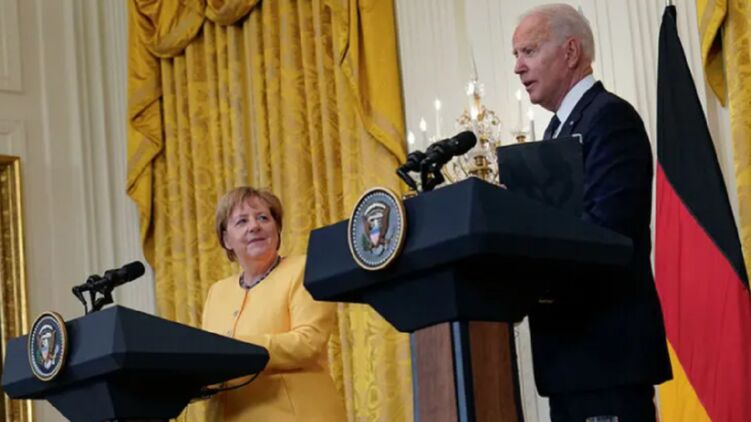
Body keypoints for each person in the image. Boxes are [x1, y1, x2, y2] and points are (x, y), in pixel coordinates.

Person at [511, 4, 672, 421]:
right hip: (570, 361)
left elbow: (609, 233)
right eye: (516, 55)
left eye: (529, 51)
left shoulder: (610, 119)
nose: (518, 67)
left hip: (607, 357)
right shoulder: (556, 131)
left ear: (570, 52)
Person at [202, 187, 346, 421]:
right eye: (242, 221)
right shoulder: (217, 292)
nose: (254, 226)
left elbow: (308, 343)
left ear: (277, 228)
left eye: (263, 218)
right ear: (226, 239)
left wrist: (236, 350)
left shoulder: (304, 269)